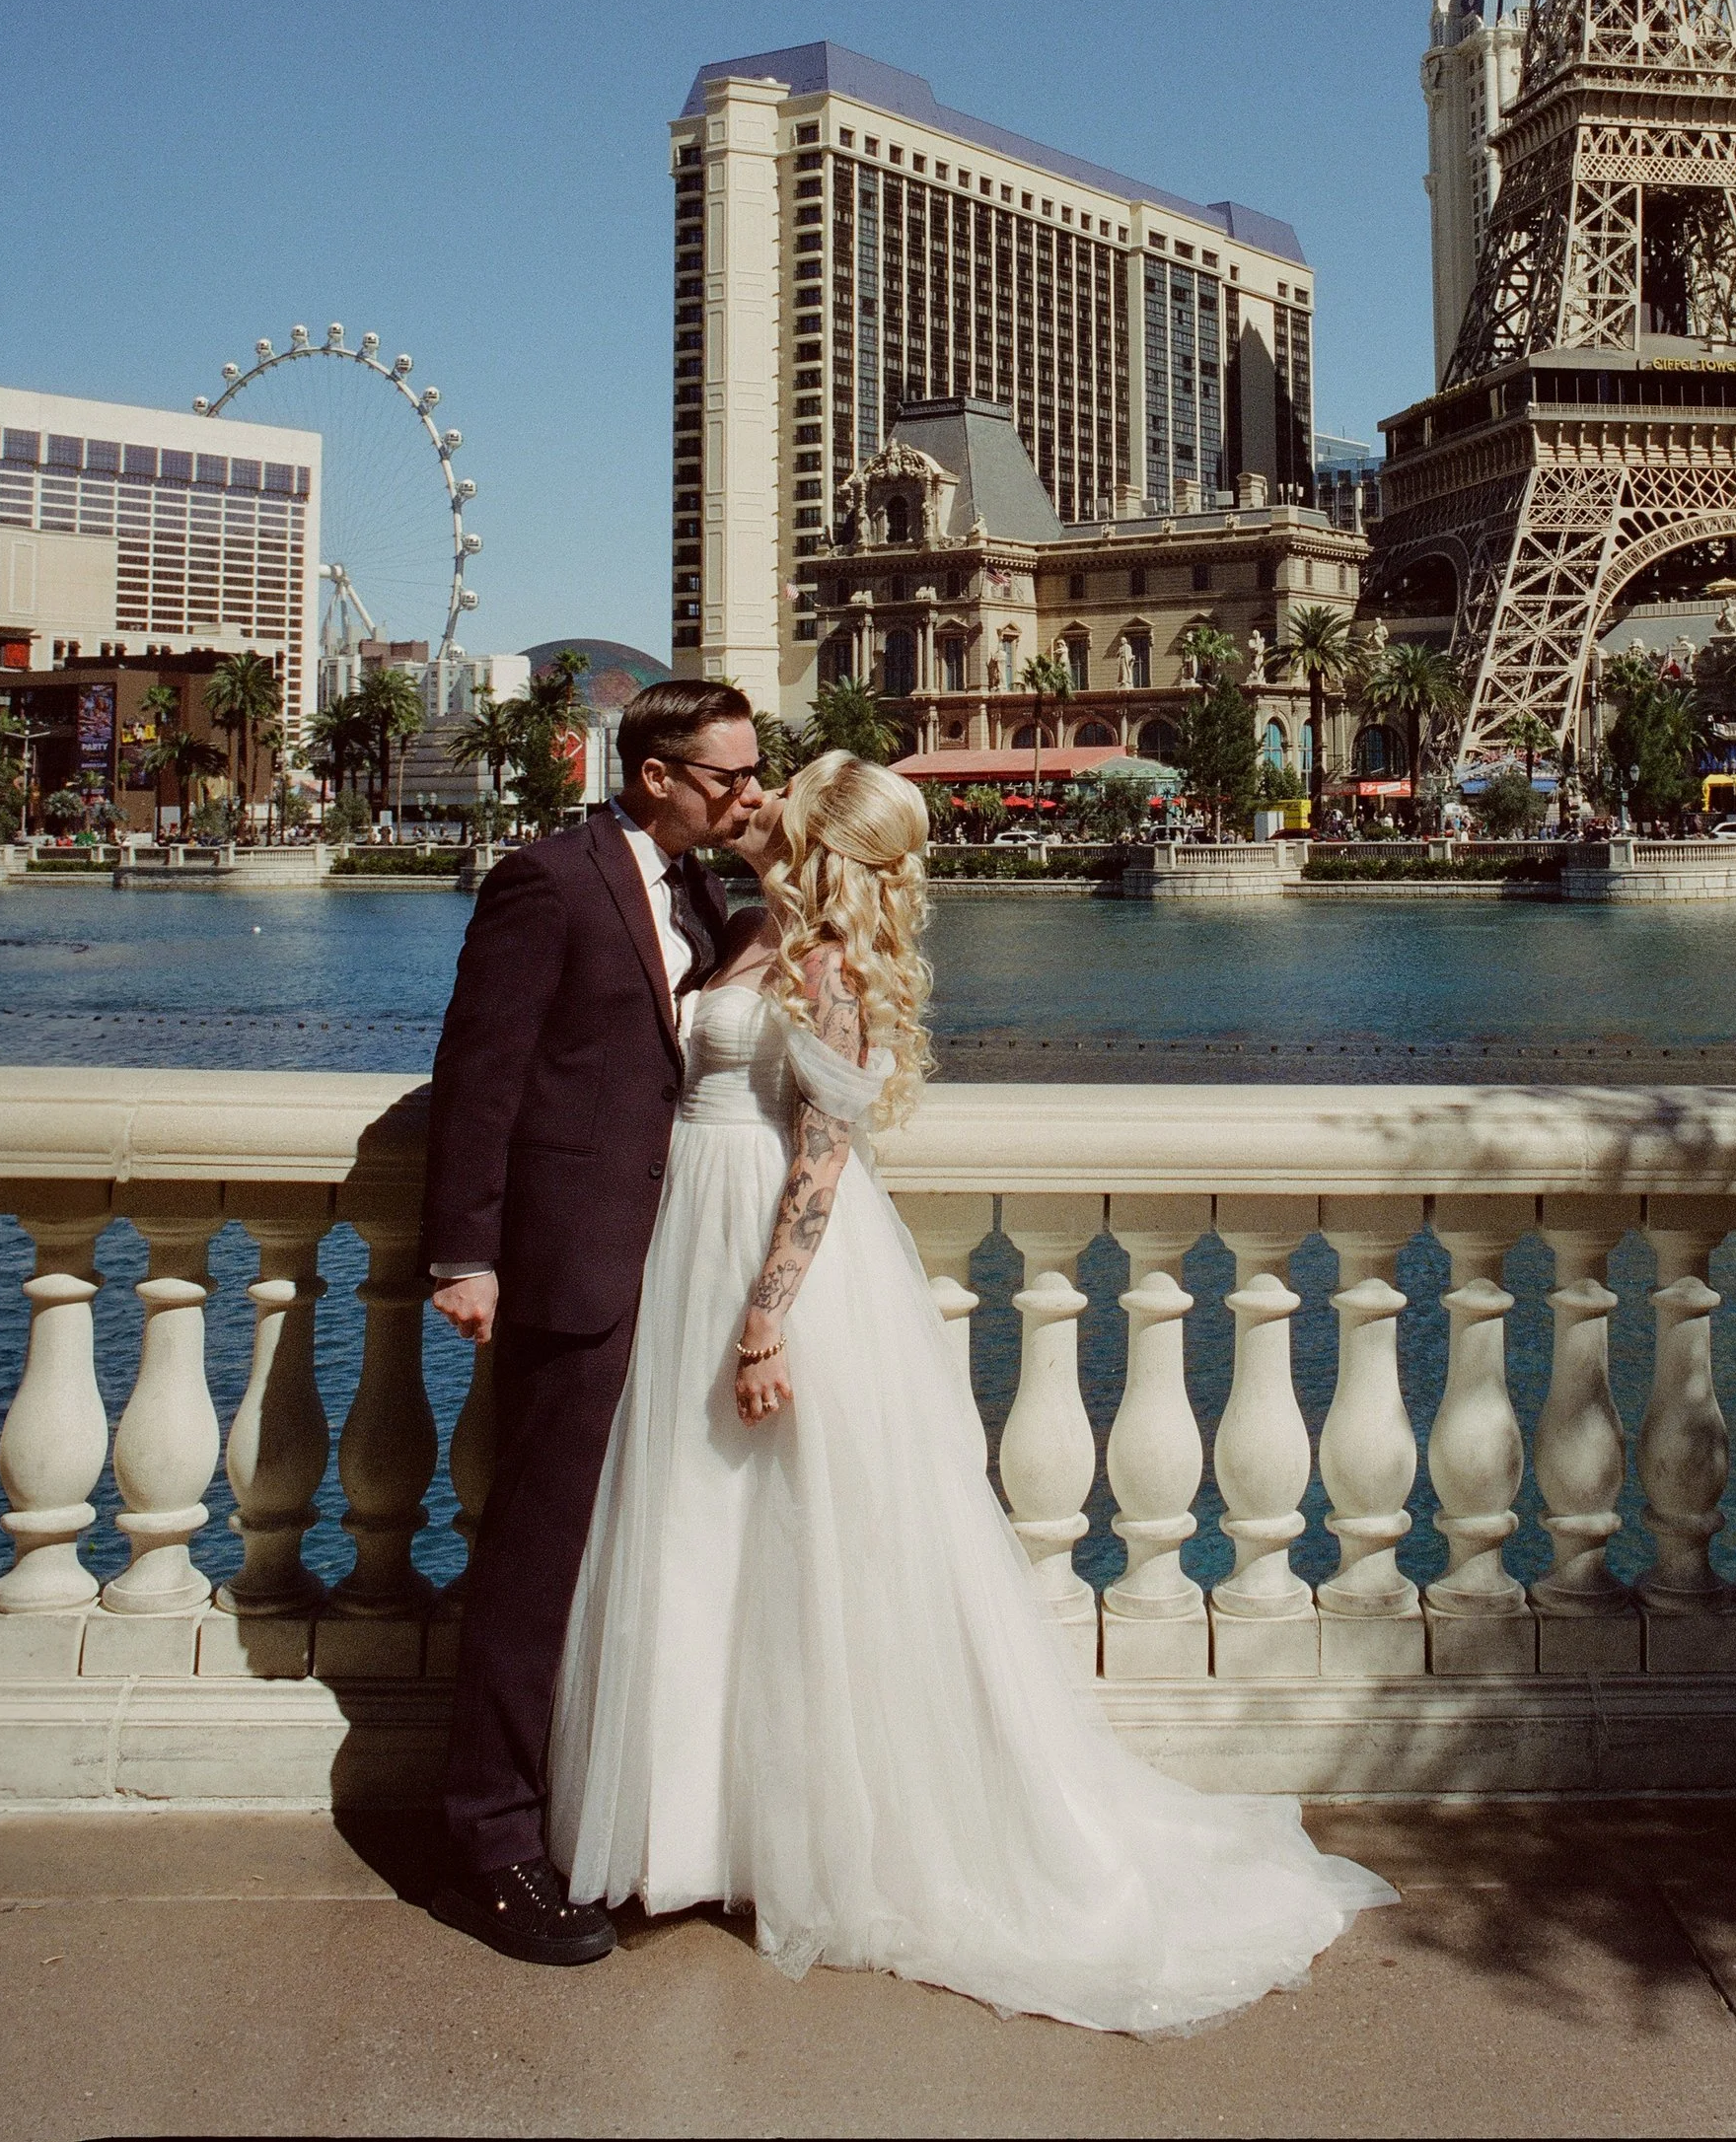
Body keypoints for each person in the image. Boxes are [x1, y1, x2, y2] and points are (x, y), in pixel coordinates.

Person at [546, 748, 1394, 2033]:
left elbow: (823, 1165)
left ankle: (807, 1839)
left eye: (782, 793)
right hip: (693, 1250)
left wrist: (765, 1321)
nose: (755, 798)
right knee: (708, 1544)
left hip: (771, 1278)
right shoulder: (745, 929)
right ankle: (708, 1832)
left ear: (822, 840)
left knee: (803, 1552)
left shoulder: (824, 966)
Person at [422, 678, 768, 1968]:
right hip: (570, 1271)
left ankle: (616, 1813)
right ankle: (491, 1843)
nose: (748, 792)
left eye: (754, 772)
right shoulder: (548, 881)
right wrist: (465, 1250)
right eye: (729, 776)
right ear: (655, 774)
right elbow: (481, 1069)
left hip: (680, 1276)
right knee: (536, 1557)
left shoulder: (699, 892)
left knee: (642, 1553)